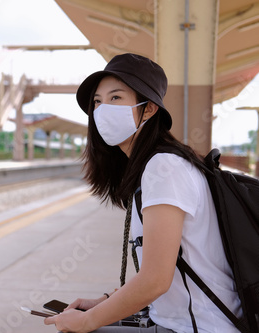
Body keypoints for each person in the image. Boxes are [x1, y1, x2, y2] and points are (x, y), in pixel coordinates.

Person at [44, 53, 242, 332]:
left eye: (115, 98)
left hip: (198, 327)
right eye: (97, 102)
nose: (102, 110)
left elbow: (155, 280)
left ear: (148, 109)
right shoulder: (157, 165)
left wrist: (88, 320)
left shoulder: (165, 167)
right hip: (177, 322)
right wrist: (104, 302)